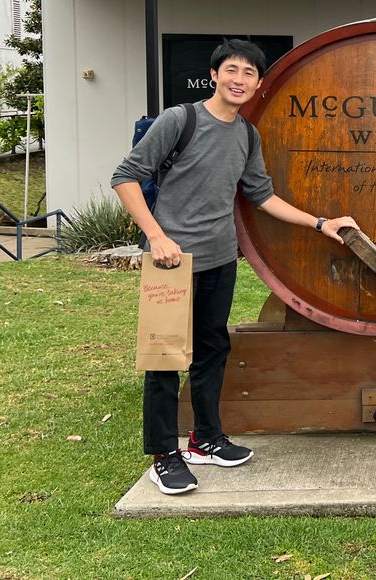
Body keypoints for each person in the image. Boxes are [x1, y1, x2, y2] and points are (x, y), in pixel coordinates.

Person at [112, 39, 359, 495]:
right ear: (214, 74)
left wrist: (320, 223)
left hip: (221, 258)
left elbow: (262, 196)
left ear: (259, 83)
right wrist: (157, 236)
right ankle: (164, 456)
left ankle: (205, 439)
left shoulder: (247, 135)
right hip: (171, 262)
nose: (239, 79)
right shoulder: (180, 120)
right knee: (164, 358)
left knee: (212, 350)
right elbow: (125, 177)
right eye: (231, 69)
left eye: (249, 72)